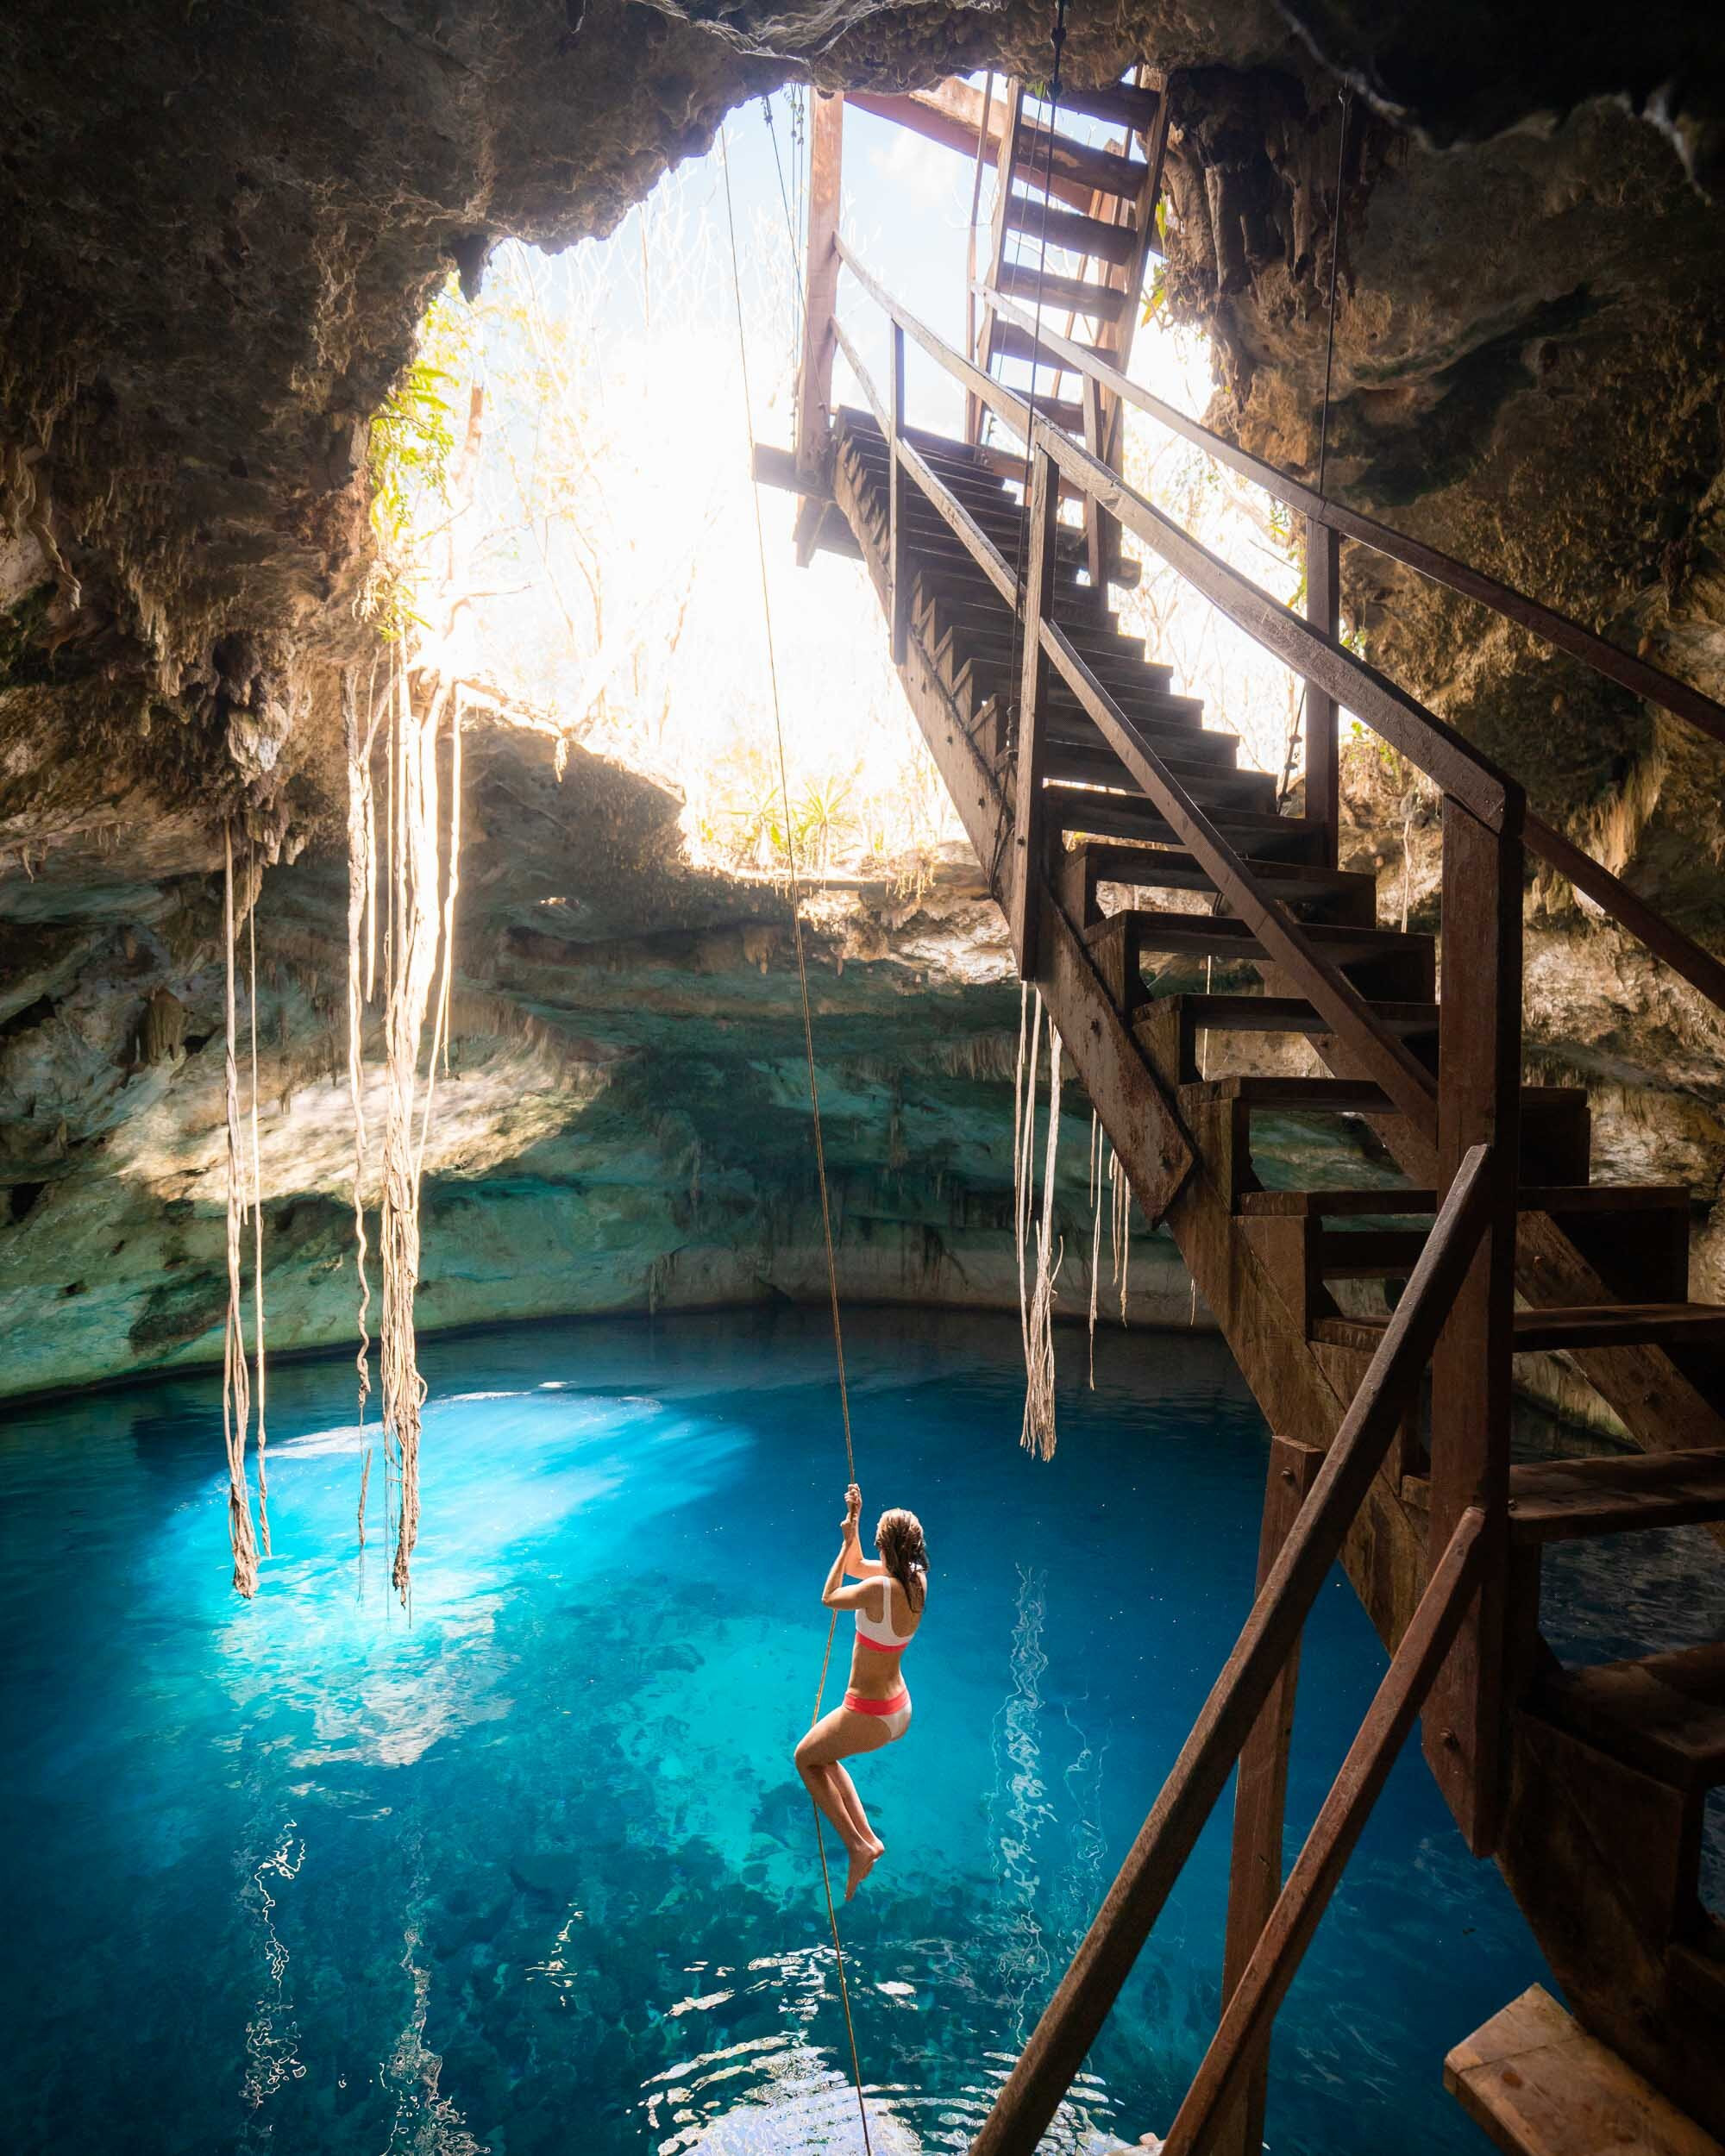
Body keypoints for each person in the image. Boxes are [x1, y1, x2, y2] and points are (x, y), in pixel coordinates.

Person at [793, 1482, 928, 1899]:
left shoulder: (879, 1590)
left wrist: (845, 1545)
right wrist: (854, 1521)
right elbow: (860, 1567)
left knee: (805, 1760)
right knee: (825, 1756)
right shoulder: (916, 1579)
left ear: (885, 1548)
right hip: (897, 1706)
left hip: (870, 1711)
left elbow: (831, 1594)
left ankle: (857, 1845)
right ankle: (868, 1840)